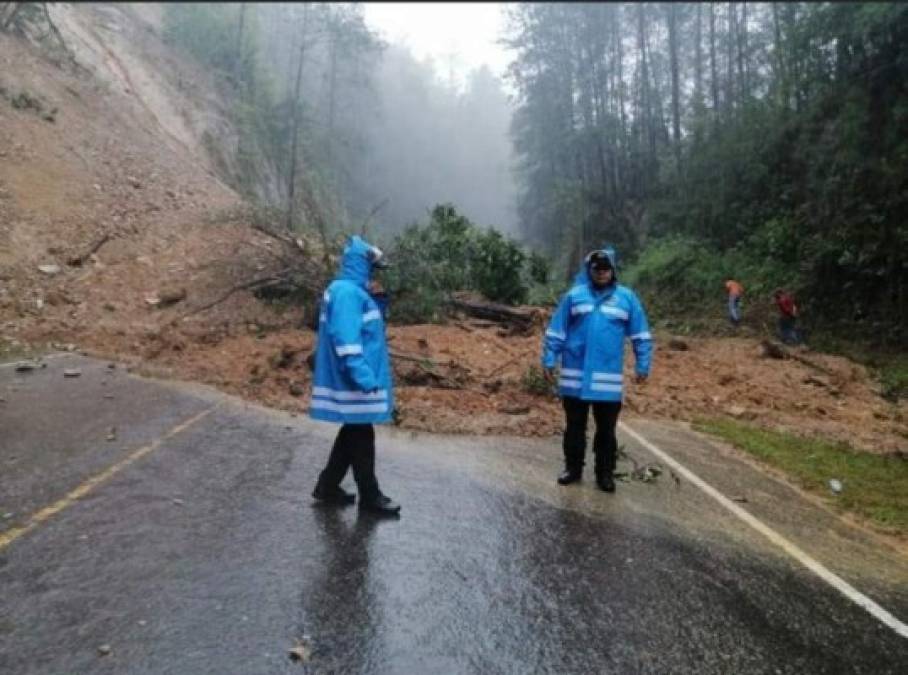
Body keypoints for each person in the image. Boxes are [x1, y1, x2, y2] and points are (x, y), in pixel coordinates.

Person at [541, 247, 653, 492]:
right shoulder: (574, 296)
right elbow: (556, 331)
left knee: (606, 430)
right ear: (589, 270)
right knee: (574, 426)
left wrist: (643, 364)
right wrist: (550, 359)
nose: (601, 273)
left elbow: (641, 335)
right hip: (574, 376)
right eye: (597, 269)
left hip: (607, 380)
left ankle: (604, 474)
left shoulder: (627, 298)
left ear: (612, 271)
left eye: (606, 268)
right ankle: (573, 469)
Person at [309, 235, 401, 516]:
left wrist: (378, 302)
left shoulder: (351, 291)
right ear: (362, 265)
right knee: (360, 434)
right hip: (352, 380)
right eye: (372, 268)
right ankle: (370, 496)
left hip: (353, 378)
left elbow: (366, 329)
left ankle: (327, 486)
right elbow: (346, 340)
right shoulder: (347, 293)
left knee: (353, 431)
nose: (375, 274)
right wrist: (363, 376)